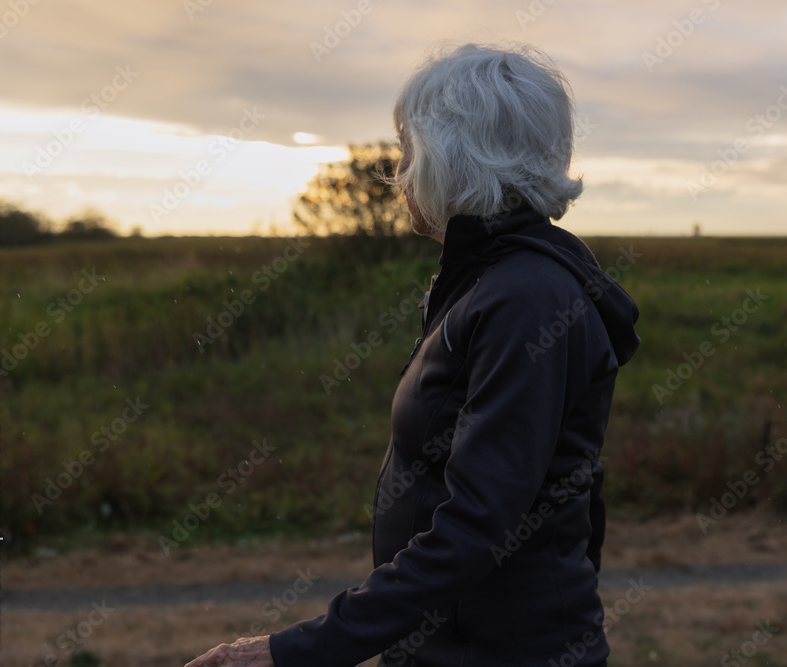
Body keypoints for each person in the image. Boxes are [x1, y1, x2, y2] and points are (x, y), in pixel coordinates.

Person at [185, 42, 639, 667]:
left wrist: (292, 653)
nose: (398, 173)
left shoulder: (526, 298)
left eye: (407, 148)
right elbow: (575, 482)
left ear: (451, 154)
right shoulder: (490, 280)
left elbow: (478, 523)